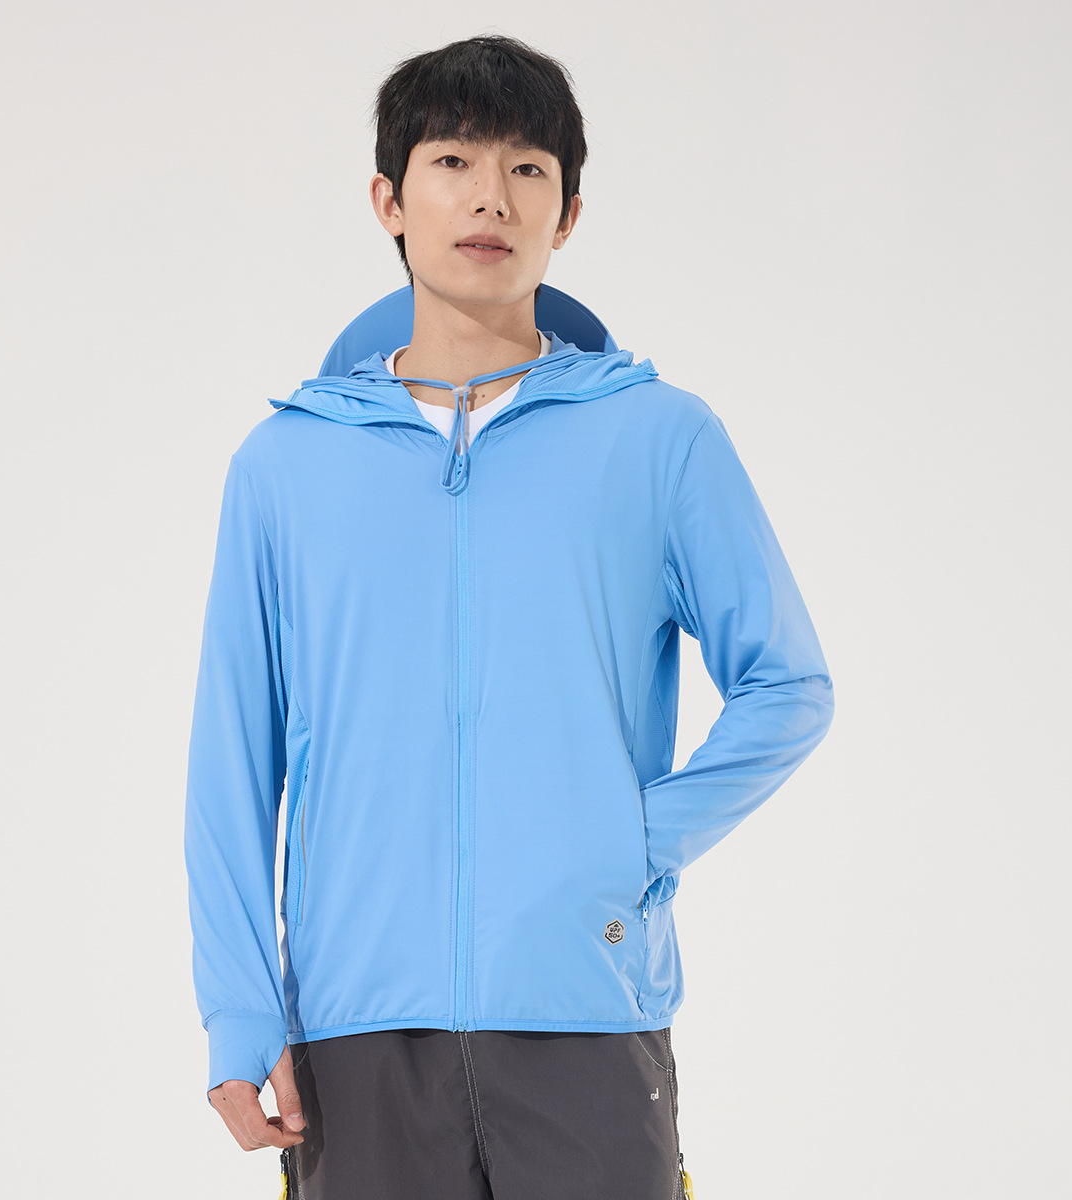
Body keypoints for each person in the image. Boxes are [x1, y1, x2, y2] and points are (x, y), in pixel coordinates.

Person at [183, 32, 834, 1200]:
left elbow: (788, 685)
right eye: (452, 162)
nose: (490, 196)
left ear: (567, 213)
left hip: (587, 1009)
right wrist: (239, 1009)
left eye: (527, 168)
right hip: (356, 1026)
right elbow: (235, 758)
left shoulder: (660, 440)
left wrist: (633, 843)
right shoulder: (284, 466)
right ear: (389, 199)